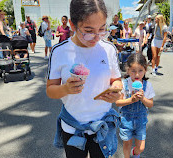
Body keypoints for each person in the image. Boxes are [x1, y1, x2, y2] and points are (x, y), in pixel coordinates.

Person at [46, 0, 122, 158]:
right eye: (88, 31)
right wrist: (65, 89)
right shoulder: (59, 51)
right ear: (73, 26)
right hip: (73, 127)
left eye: (101, 29)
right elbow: (50, 90)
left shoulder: (108, 49)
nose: (96, 37)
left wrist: (116, 90)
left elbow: (117, 80)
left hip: (102, 126)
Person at [116, 53, 155, 158]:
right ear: (128, 70)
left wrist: (142, 98)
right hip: (126, 120)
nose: (137, 75)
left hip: (140, 121)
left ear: (145, 70)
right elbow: (117, 102)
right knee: (127, 143)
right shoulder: (124, 84)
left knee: (141, 148)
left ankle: (135, 153)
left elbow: (150, 104)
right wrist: (130, 100)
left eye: (140, 71)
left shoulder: (147, 86)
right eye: (133, 71)